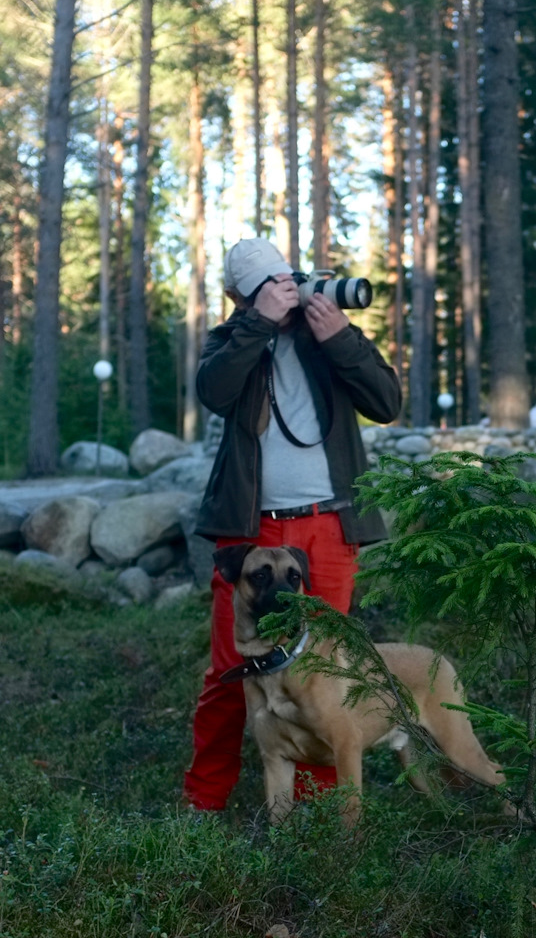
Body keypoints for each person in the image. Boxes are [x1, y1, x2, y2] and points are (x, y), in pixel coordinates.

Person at [183, 237, 402, 812]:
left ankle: (312, 813)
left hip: (327, 528)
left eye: (288, 279)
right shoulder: (231, 339)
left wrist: (340, 338)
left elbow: (386, 401)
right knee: (234, 672)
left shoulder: (324, 336)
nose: (285, 293)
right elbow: (214, 390)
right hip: (249, 532)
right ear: (239, 297)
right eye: (267, 288)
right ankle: (205, 801)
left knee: (324, 670)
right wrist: (257, 326)